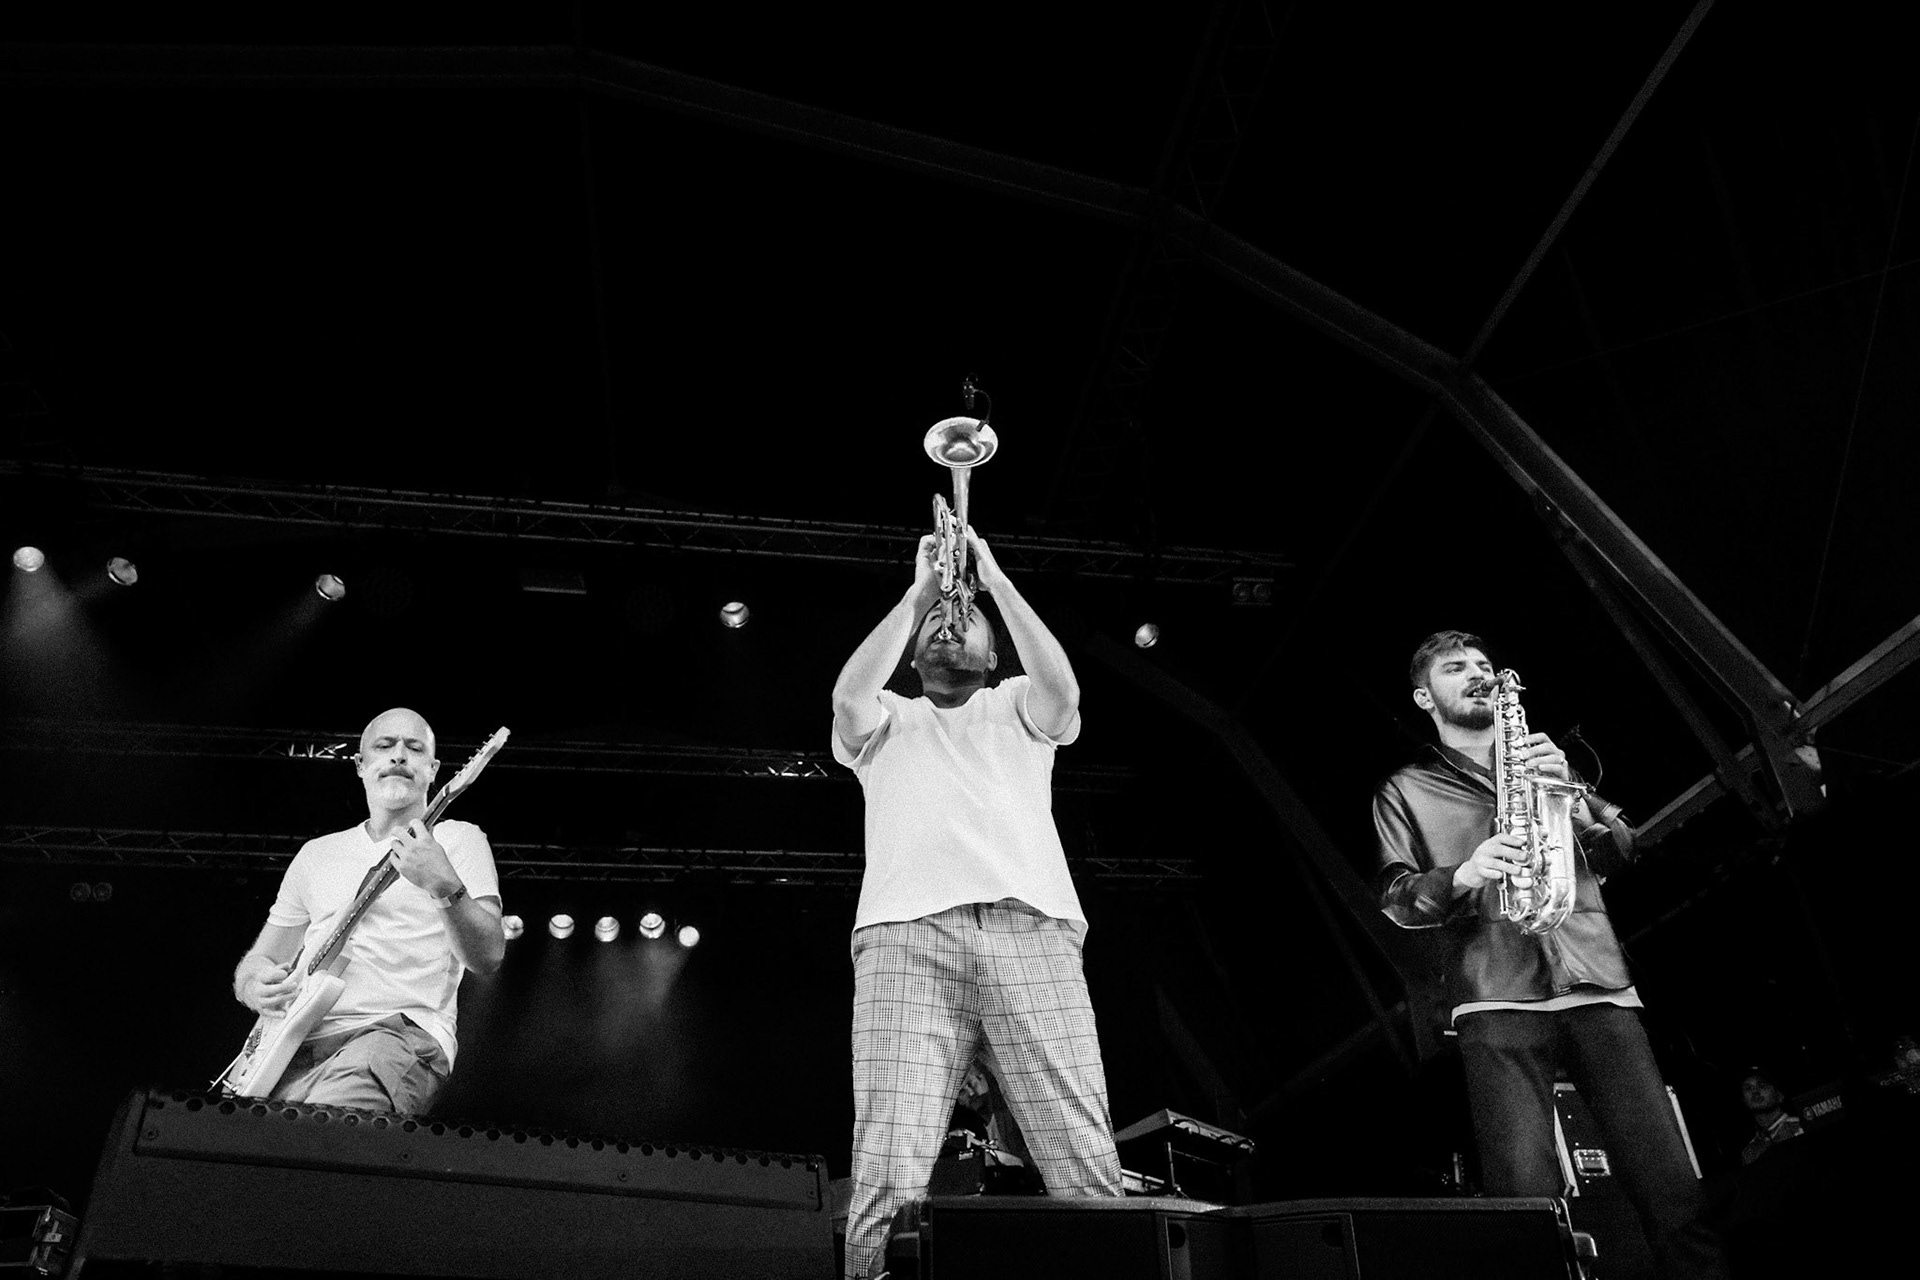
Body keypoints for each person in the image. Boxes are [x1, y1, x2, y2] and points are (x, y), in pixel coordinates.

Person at [1373, 631, 1727, 1280]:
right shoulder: (1406, 790)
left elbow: (1623, 847)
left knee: (1673, 1190)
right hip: (1496, 997)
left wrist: (1571, 789)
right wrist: (1465, 872)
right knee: (1523, 1201)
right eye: (1457, 669)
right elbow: (1398, 901)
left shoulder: (1544, 758)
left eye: (1484, 665)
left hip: (1598, 986)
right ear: (1426, 696)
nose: (1477, 674)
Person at [831, 528, 1123, 1280]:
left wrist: (993, 583)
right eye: (933, 626)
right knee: (887, 1169)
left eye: (964, 624)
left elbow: (1066, 692)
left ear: (995, 656)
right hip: (905, 941)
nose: (946, 626)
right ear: (914, 651)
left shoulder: (1019, 704)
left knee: (1083, 1160)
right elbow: (847, 694)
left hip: (1032, 933)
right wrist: (918, 595)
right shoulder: (888, 718)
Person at [230, 707, 504, 1115]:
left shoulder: (458, 840)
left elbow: (488, 956)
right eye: (385, 745)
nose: (399, 756)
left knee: (323, 1143)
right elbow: (263, 957)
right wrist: (252, 984)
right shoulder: (316, 854)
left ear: (434, 770)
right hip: (291, 1044)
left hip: (394, 1034)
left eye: (414, 748)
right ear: (360, 765)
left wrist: (444, 884)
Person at [1738, 1068, 1805, 1165]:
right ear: (1744, 1101)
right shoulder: (1749, 1152)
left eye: (1762, 1085)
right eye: (1748, 1088)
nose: (1755, 1091)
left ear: (1779, 1095)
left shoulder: (1801, 1126)